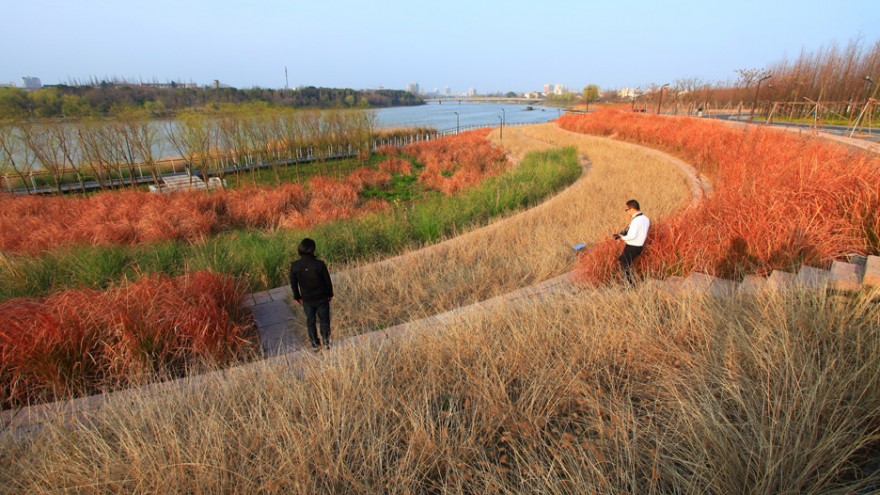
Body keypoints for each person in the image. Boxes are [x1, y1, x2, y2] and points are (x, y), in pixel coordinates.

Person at [289, 238, 334, 351]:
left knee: (310, 320)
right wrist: (330, 294)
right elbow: (327, 281)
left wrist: (297, 297)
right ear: (313, 249)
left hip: (307, 299)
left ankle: (315, 343)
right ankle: (326, 340)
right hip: (322, 297)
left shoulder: (295, 266)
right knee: (324, 319)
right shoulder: (319, 264)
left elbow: (293, 284)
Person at [613, 199, 650, 285]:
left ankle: (630, 285)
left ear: (632, 209)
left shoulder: (636, 221)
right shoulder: (645, 218)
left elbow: (632, 236)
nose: (627, 212)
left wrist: (621, 237)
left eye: (627, 210)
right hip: (639, 246)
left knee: (624, 263)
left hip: (632, 246)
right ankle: (630, 283)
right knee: (624, 261)